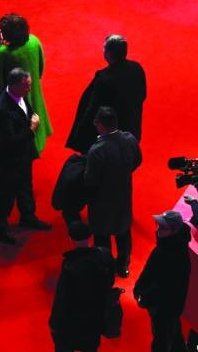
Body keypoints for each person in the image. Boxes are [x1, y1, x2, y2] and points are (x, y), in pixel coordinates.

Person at [0, 68, 52, 244]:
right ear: (15, 85)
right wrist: (32, 129)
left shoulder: (18, 95)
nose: (30, 89)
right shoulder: (3, 110)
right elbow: (11, 141)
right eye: (27, 86)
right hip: (9, 160)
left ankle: (28, 216)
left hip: (22, 155)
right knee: (6, 194)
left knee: (25, 186)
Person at [85, 106, 142, 278]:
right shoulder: (130, 139)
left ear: (101, 125)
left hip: (101, 201)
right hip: (123, 196)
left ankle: (105, 269)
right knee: (123, 231)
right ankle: (123, 265)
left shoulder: (96, 150)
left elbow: (90, 180)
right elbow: (138, 160)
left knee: (102, 237)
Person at [68, 35, 147, 155]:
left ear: (108, 53)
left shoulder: (104, 78)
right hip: (132, 131)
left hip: (109, 139)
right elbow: (143, 95)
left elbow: (93, 109)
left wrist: (79, 134)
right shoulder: (137, 68)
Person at [0, 13, 53, 154]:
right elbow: (41, 67)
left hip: (12, 100)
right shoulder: (34, 41)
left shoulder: (3, 53)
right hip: (33, 90)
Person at [48, 220, 116, 352]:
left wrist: (54, 322)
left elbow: (62, 297)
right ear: (90, 237)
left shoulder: (70, 265)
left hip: (74, 319)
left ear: (71, 239)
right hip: (96, 316)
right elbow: (110, 281)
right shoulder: (105, 255)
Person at [133, 210, 191, 352]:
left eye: (163, 227)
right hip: (165, 306)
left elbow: (163, 287)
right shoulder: (167, 246)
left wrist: (144, 298)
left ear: (173, 231)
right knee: (174, 335)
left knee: (161, 341)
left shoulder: (174, 256)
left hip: (164, 307)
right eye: (158, 225)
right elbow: (150, 270)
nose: (157, 229)